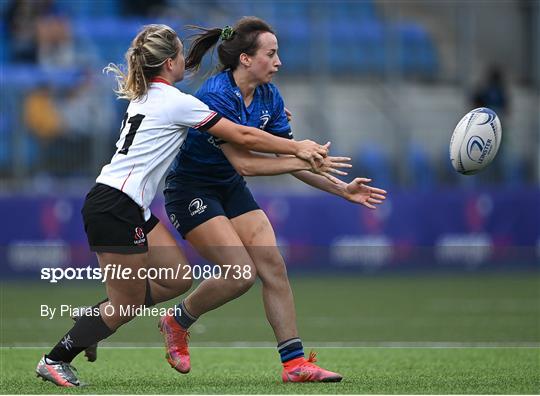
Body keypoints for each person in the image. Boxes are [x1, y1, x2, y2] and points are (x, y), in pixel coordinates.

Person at [35, 23, 339, 387]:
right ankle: (55, 359)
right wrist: (298, 147)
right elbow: (240, 136)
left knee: (177, 278)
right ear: (168, 63)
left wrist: (269, 121)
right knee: (124, 305)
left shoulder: (151, 95)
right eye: (180, 55)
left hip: (130, 205)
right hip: (114, 205)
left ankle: (100, 320)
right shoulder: (177, 102)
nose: (185, 61)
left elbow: (239, 129)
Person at [161, 17, 387, 383]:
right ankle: (176, 321)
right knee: (239, 275)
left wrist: (341, 189)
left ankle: (295, 365)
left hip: (229, 187)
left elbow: (297, 163)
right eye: (271, 53)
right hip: (191, 190)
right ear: (246, 59)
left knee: (273, 266)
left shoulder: (270, 96)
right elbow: (246, 160)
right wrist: (299, 150)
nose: (279, 61)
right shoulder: (216, 94)